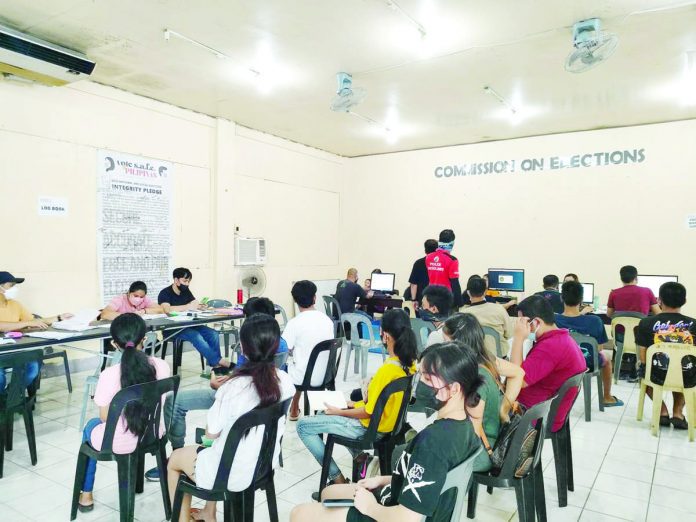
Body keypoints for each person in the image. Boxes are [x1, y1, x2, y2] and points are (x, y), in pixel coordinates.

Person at [290, 342, 484, 522]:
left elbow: (408, 518)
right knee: (328, 494)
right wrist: (385, 479)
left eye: (426, 378)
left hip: (393, 514)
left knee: (299, 513)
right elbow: (431, 478)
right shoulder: (465, 427)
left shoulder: (433, 443)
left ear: (453, 389)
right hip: (400, 496)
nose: (418, 384)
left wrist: (370, 507)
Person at [144, 295, 289, 482]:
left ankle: (176, 454)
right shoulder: (282, 366)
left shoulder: (239, 376)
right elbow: (254, 373)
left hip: (236, 403)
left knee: (174, 401)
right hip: (262, 450)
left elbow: (210, 435)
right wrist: (232, 377)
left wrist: (222, 385)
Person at [167, 314, 295, 522]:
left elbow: (211, 433)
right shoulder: (286, 381)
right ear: (276, 347)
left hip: (228, 474)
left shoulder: (233, 387)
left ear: (243, 349)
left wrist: (221, 393)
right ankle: (209, 513)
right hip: (263, 466)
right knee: (221, 448)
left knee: (175, 460)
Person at [296, 309, 417, 490]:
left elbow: (368, 412)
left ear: (385, 336)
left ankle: (337, 479)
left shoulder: (387, 370)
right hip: (388, 426)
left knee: (303, 426)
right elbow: (376, 404)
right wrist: (349, 404)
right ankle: (360, 457)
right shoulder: (409, 363)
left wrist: (339, 411)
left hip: (368, 429)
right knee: (323, 412)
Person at [77, 313, 171, 512]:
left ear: (113, 344)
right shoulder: (163, 366)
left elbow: (104, 418)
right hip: (153, 436)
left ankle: (86, 495)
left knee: (91, 425)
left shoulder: (108, 375)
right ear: (144, 340)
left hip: (118, 443)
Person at [442, 313, 525, 471]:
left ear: (459, 344)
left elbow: (470, 432)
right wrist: (503, 408)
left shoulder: (474, 379)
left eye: (446, 343)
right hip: (491, 439)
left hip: (480, 453)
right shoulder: (486, 360)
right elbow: (518, 373)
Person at [510, 296, 586, 432]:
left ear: (536, 322)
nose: (520, 327)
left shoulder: (551, 346)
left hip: (535, 415)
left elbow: (517, 380)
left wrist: (518, 338)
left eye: (523, 323)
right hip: (544, 407)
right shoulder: (560, 338)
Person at [635, 282, 696, 430]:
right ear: (685, 301)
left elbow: (642, 355)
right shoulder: (694, 324)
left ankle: (662, 411)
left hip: (656, 374)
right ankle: (678, 413)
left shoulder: (646, 323)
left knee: (642, 371)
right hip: (686, 376)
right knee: (686, 369)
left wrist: (643, 366)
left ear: (659, 300)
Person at [0, 271, 73, 390]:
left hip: (16, 348)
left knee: (33, 366)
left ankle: (11, 395)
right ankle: (4, 401)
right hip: (1, 351)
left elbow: (34, 321)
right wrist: (28, 323)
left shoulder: (15, 304)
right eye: (11, 285)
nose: (15, 289)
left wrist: (59, 317)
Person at [555, 281, 623, 407]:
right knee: (606, 357)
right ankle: (607, 397)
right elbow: (599, 348)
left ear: (561, 298)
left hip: (560, 364)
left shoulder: (554, 320)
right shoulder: (594, 321)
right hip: (587, 364)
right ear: (581, 299)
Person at [158, 267, 231, 369]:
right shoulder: (165, 293)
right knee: (195, 335)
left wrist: (199, 306)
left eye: (189, 281)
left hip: (189, 325)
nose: (187, 284)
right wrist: (187, 306)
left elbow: (194, 302)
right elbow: (167, 309)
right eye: (185, 281)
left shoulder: (185, 291)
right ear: (176, 280)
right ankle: (219, 362)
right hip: (172, 329)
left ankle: (215, 366)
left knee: (213, 334)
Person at [284, 280, 335, 420]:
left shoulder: (294, 323)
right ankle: (296, 408)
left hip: (303, 378)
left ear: (295, 300)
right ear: (315, 298)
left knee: (287, 365)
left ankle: (293, 408)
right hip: (326, 375)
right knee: (301, 361)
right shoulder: (327, 321)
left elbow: (283, 350)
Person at [461, 276, 514, 357]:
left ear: (468, 292)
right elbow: (509, 334)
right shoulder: (499, 309)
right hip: (499, 359)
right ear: (485, 292)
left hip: (474, 360)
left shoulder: (463, 314)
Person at [425, 229, 463, 308]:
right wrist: (459, 302)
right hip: (445, 299)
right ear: (452, 243)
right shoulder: (452, 260)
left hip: (431, 297)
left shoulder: (428, 257)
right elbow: (454, 283)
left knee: (433, 320)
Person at [408, 239, 438, 310]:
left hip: (422, 300)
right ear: (437, 250)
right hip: (438, 300)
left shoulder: (418, 263)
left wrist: (413, 300)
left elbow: (413, 284)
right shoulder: (441, 263)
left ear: (425, 250)